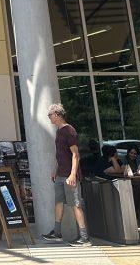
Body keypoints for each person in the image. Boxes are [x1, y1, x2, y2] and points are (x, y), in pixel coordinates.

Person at [41, 103, 91, 247]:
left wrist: (72, 175)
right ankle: (57, 232)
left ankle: (84, 237)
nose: (49, 118)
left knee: (76, 204)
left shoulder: (69, 130)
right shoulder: (59, 131)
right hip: (60, 174)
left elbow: (75, 154)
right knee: (58, 202)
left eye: (49, 115)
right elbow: (60, 155)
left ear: (57, 114)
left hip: (70, 175)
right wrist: (55, 170)